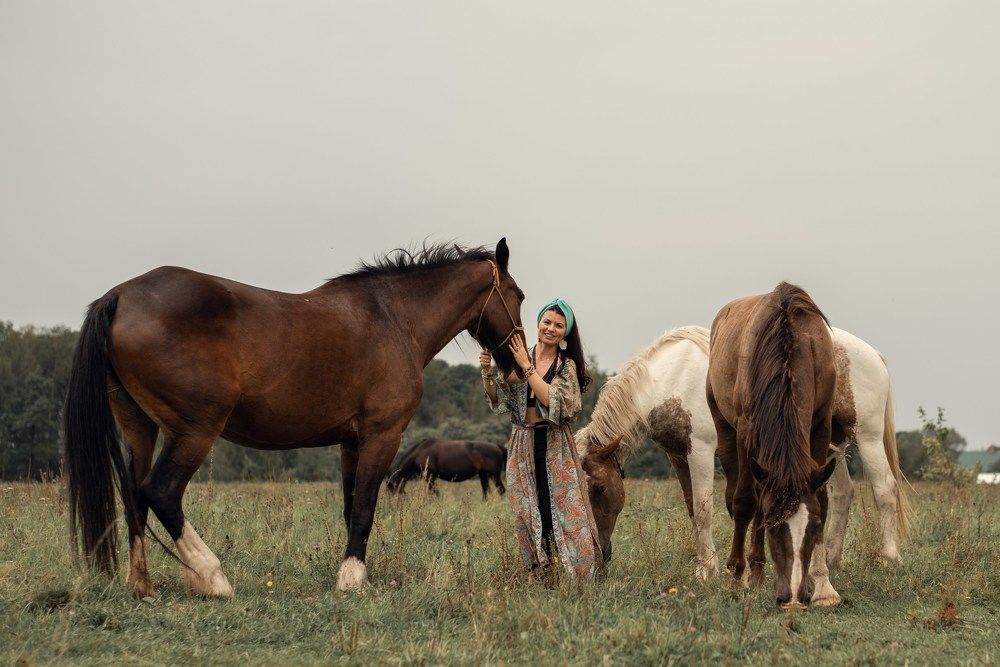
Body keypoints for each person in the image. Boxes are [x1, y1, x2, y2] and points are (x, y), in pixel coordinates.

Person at [480, 297, 602, 580]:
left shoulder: (565, 366)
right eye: (547, 322)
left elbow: (556, 402)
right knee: (527, 510)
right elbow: (502, 401)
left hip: (554, 443)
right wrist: (487, 372)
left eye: (559, 325)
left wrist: (527, 367)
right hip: (522, 443)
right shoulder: (521, 355)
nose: (551, 328)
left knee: (560, 509)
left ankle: (578, 573)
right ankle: (539, 570)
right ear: (538, 324)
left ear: (565, 333)